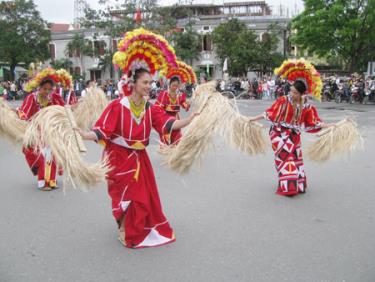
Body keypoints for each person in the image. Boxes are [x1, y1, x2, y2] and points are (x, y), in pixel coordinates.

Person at [76, 68, 198, 248]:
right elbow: (103, 130)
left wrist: (190, 120)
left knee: (140, 196)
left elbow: (168, 124)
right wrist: (84, 135)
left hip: (140, 158)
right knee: (124, 196)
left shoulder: (150, 108)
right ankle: (124, 226)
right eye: (145, 82)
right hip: (118, 157)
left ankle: (132, 228)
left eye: (151, 83)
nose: (149, 86)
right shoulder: (118, 106)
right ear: (133, 84)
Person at [248, 80, 332, 197]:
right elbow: (269, 113)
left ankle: (296, 185)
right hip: (278, 133)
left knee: (296, 159)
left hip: (294, 135)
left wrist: (328, 126)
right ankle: (289, 188)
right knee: (286, 159)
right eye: (291, 91)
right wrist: (252, 119)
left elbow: (313, 121)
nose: (292, 94)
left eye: (295, 92)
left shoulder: (307, 105)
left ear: (302, 94)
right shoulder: (283, 100)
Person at [17, 78, 65, 191]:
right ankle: (42, 182)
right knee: (40, 155)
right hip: (35, 131)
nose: (47, 91)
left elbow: (62, 109)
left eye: (49, 89)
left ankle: (51, 180)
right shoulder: (32, 98)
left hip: (51, 131)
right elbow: (24, 113)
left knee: (52, 155)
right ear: (39, 88)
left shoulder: (54, 97)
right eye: (44, 89)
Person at [155, 76, 190, 145]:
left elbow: (183, 104)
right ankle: (168, 152)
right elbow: (158, 107)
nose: (174, 87)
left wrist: (187, 104)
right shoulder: (164, 94)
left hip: (176, 119)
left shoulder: (179, 95)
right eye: (173, 85)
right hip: (166, 120)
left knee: (177, 139)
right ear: (169, 84)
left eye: (176, 86)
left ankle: (175, 152)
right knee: (167, 141)